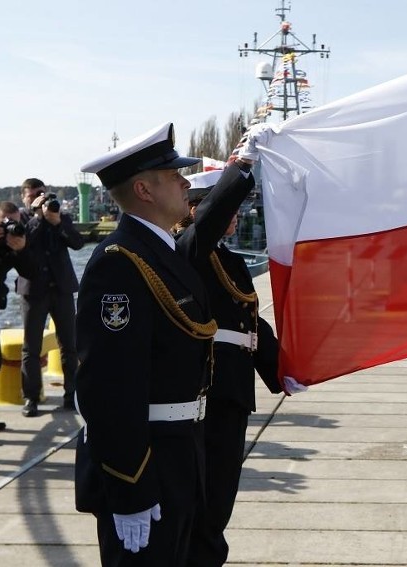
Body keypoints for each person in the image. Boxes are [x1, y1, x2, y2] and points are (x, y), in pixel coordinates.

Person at [74, 122, 228, 566]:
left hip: (183, 452)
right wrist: (130, 488)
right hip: (147, 466)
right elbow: (109, 388)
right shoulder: (119, 264)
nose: (186, 182)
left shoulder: (162, 254)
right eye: (174, 176)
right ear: (143, 189)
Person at [174, 168, 283, 567]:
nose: (235, 216)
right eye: (230, 208)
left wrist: (285, 371)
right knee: (200, 506)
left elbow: (252, 325)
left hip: (232, 395)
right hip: (203, 394)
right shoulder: (184, 250)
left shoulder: (231, 262)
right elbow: (206, 227)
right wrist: (241, 171)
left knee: (220, 500)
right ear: (195, 210)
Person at [15, 181, 84, 417]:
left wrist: (55, 222)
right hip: (33, 290)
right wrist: (37, 217)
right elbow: (24, 244)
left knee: (70, 346)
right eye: (33, 195)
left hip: (62, 288)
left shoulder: (58, 215)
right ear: (24, 197)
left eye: (41, 193)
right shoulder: (22, 220)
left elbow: (77, 243)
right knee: (31, 347)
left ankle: (71, 394)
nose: (39, 198)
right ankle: (31, 398)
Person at [0, 202, 36, 431]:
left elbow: (30, 272)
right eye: (5, 221)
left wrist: (21, 249)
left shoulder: (10, 243)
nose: (11, 226)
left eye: (15, 221)